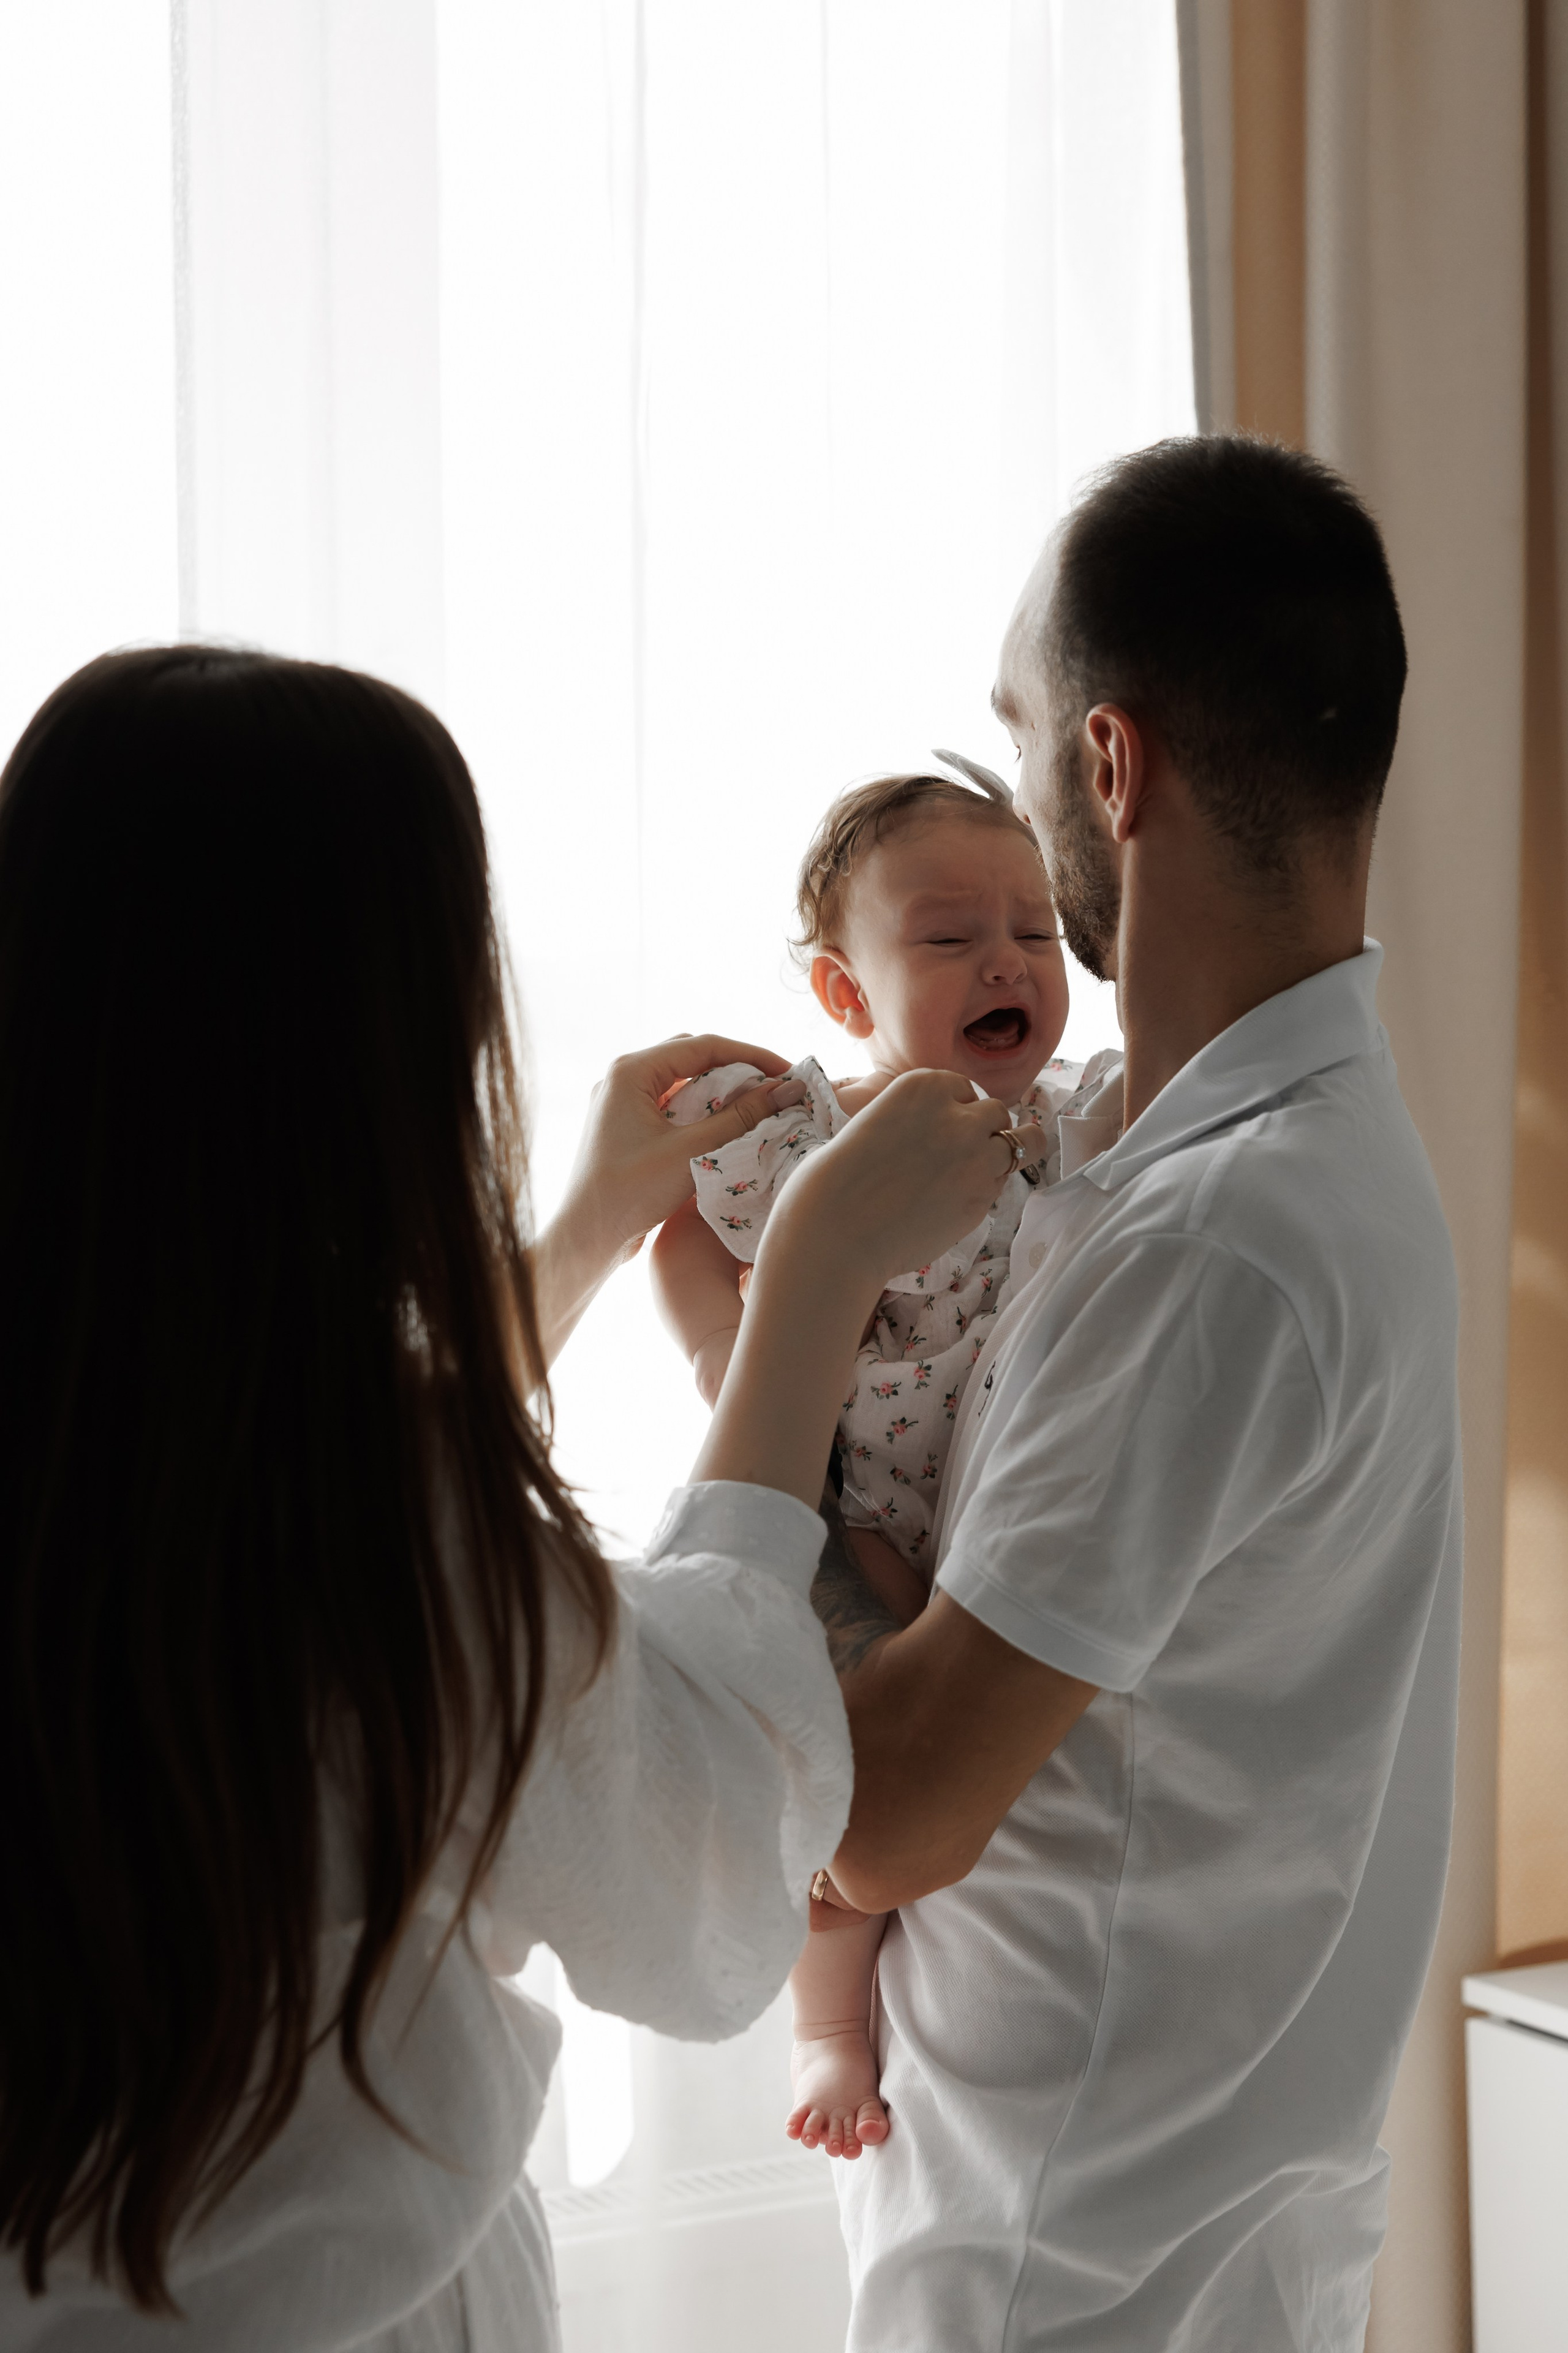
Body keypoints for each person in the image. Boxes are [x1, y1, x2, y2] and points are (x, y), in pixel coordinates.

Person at [0, 646, 1031, 2350]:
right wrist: (811, 1286)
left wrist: (579, 1239)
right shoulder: (388, 1523)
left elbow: (294, 1457)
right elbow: (705, 1871)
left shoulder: (124, 1426)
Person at [703, 436, 1463, 2349]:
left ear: (1108, 766)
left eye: (1019, 732)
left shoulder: (1211, 1242)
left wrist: (765, 1349)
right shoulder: (1191, 1150)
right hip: (1162, 2231)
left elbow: (880, 1823)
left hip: (1071, 2269)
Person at [650, 765, 1115, 2163]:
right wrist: (721, 1355)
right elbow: (683, 1227)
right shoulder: (820, 1135)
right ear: (845, 993)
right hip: (847, 1503)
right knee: (831, 1792)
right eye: (950, 936)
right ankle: (830, 2030)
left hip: (977, 1511)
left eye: (1036, 931)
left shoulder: (1069, 1125)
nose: (1006, 961)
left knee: (972, 1765)